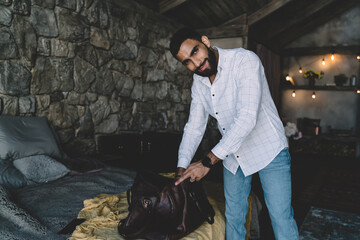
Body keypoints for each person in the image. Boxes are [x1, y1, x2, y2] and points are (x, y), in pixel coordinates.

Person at [169, 28, 299, 240]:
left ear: (205, 41)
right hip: (233, 155)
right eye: (187, 62)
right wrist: (181, 170)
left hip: (269, 149)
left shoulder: (245, 61)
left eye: (195, 52)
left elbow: (247, 117)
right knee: (234, 217)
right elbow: (194, 126)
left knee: (280, 216)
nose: (195, 63)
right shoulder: (199, 82)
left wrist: (206, 162)